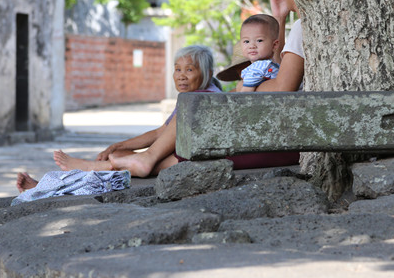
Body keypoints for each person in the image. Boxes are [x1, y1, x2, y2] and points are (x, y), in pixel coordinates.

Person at [16, 45, 221, 191]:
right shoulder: (191, 98)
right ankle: (48, 185)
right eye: (177, 69)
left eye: (190, 69)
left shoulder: (204, 99)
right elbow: (161, 132)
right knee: (121, 156)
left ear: (208, 72)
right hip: (182, 156)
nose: (181, 75)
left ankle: (53, 182)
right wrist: (117, 145)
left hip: (191, 158)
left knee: (119, 165)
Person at [238, 14, 280, 92]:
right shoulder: (263, 67)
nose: (252, 46)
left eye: (259, 40)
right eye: (246, 41)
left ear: (274, 45)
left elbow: (244, 97)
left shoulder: (258, 68)